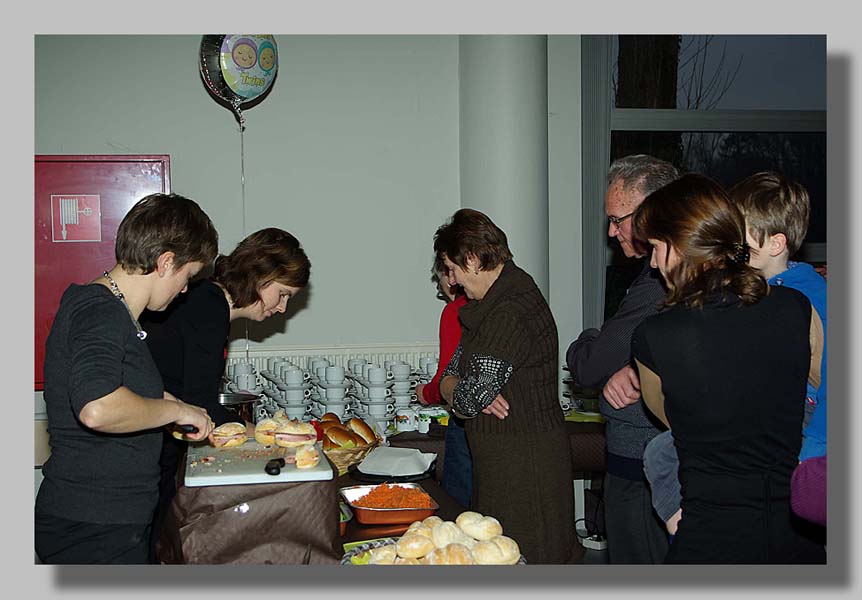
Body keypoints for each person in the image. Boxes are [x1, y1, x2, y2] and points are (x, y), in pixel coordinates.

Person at [631, 173, 825, 563]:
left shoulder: (654, 336)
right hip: (794, 543)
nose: (653, 263)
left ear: (682, 244)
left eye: (655, 247)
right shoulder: (796, 309)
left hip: (710, 542)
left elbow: (678, 421)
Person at [35, 193, 220, 564]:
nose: (185, 289)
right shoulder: (101, 311)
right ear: (166, 262)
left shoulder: (104, 309)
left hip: (101, 520)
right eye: (188, 276)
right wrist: (173, 411)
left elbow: (126, 391)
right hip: (93, 526)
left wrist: (175, 408)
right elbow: (98, 409)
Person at [141, 227, 311, 558]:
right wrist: (275, 438)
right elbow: (201, 405)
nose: (282, 308)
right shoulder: (209, 308)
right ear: (260, 277)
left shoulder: (209, 302)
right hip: (147, 453)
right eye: (283, 293)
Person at [434, 208, 575, 564]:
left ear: (473, 259)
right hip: (505, 458)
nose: (451, 282)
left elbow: (466, 398)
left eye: (452, 269)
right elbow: (458, 376)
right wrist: (458, 385)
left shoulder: (509, 310)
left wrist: (453, 388)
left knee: (527, 559)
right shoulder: (491, 304)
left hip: (523, 463)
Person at [565, 154, 680, 563]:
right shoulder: (654, 277)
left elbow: (590, 363)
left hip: (646, 468)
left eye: (619, 219)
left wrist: (590, 338)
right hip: (639, 462)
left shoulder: (658, 286)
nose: (612, 232)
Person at [414, 256, 472, 508]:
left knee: (457, 501)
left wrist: (424, 393)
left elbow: (445, 378)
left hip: (464, 416)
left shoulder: (454, 312)